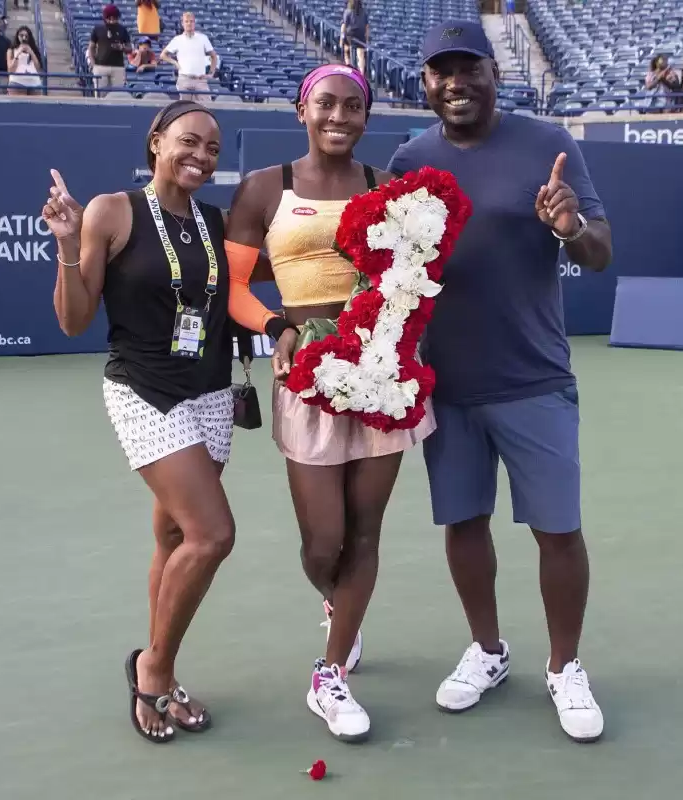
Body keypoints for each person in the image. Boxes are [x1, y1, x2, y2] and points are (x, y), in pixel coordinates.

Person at [385, 21, 612, 743]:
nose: (454, 82)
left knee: (559, 530)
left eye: (468, 68)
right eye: (439, 71)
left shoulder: (549, 144)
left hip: (533, 378)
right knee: (463, 523)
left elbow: (600, 253)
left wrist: (570, 225)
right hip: (445, 385)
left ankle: (565, 666)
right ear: (424, 82)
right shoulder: (408, 158)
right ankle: (487, 651)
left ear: (494, 72)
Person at [222, 63, 435, 743]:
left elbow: (411, 272)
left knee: (365, 533)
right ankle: (337, 603)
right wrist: (277, 327)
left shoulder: (387, 188)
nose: (340, 116)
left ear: (367, 117)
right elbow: (234, 292)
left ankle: (331, 671)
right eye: (326, 104)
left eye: (353, 106)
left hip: (383, 369)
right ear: (301, 111)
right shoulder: (263, 188)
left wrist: (396, 322)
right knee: (323, 541)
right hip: (307, 371)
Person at [41, 100, 235, 745]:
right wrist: (69, 245)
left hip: (208, 394)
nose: (201, 157)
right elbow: (73, 319)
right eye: (188, 142)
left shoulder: (213, 220)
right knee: (211, 535)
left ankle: (166, 669)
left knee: (174, 541)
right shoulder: (111, 210)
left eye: (211, 148)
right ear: (156, 141)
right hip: (144, 392)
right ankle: (151, 669)